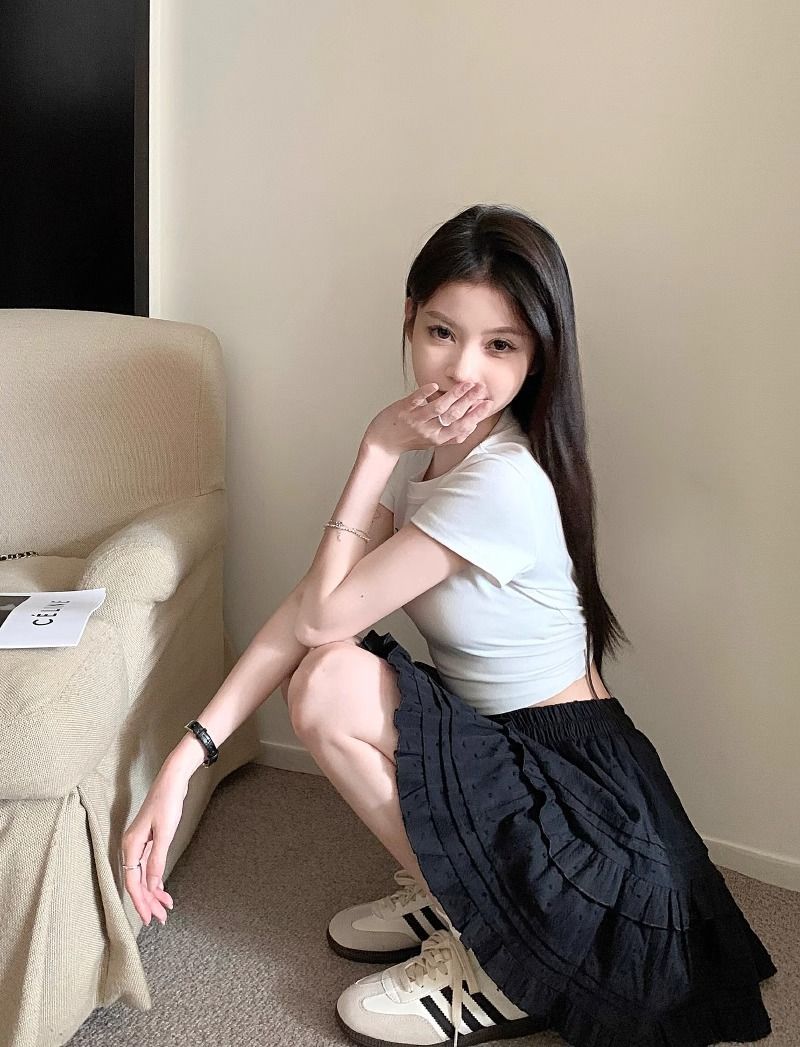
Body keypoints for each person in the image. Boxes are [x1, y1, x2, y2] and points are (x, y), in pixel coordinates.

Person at [122, 204, 776, 1047]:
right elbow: (305, 609)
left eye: (500, 345)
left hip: (575, 788)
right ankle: (462, 887)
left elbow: (321, 618)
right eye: (442, 332)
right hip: (512, 745)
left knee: (329, 682)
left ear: (538, 357)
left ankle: (503, 945)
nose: (464, 370)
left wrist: (374, 448)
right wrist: (189, 755)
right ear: (410, 318)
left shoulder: (498, 480)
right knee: (325, 667)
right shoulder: (442, 459)